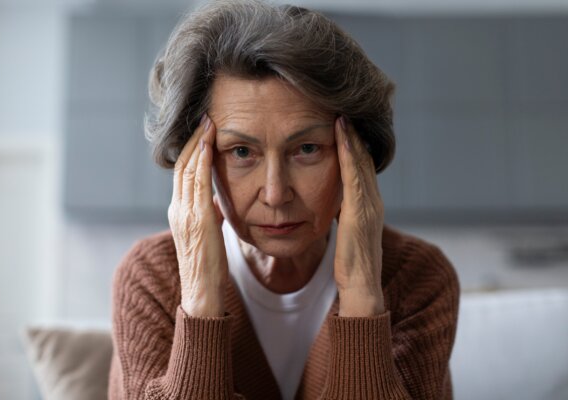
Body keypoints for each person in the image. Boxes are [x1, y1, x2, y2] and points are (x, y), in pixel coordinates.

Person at [108, 1, 460, 399]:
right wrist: (200, 305)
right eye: (241, 152)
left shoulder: (416, 277)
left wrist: (363, 296)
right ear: (197, 162)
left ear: (357, 154)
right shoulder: (152, 277)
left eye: (307, 149)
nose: (276, 194)